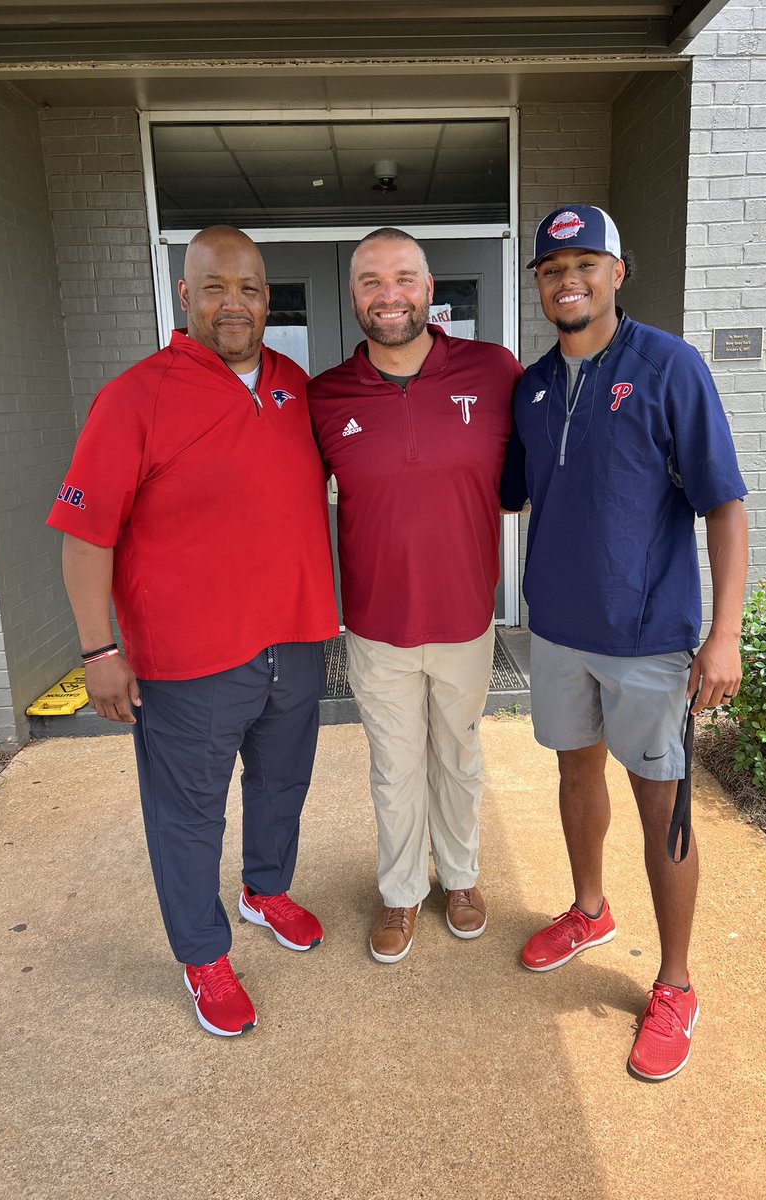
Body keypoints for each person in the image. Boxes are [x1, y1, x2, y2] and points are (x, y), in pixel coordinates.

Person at [47, 226, 338, 1037]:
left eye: (249, 288)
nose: (234, 303)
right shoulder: (135, 396)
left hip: (297, 638)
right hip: (190, 661)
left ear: (266, 297)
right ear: (185, 296)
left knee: (281, 785)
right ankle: (203, 954)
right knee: (187, 815)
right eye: (215, 287)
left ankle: (265, 889)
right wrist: (98, 650)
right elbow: (85, 535)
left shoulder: (293, 385)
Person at [500, 205, 748, 1081]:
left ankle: (676, 983)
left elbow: (724, 503)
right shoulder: (529, 387)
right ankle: (589, 910)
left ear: (617, 269)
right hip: (560, 632)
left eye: (584, 261)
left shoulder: (668, 366)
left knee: (660, 803)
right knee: (574, 774)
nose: (567, 278)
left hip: (650, 640)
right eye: (550, 267)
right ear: (536, 284)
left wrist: (725, 634)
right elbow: (516, 494)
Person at [307, 228, 522, 963]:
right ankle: (401, 890)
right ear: (354, 295)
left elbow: (544, 474)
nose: (388, 293)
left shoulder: (495, 372)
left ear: (431, 291)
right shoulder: (326, 396)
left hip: (465, 617)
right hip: (375, 624)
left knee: (458, 759)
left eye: (403, 277)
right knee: (393, 767)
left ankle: (459, 877)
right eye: (371, 280)